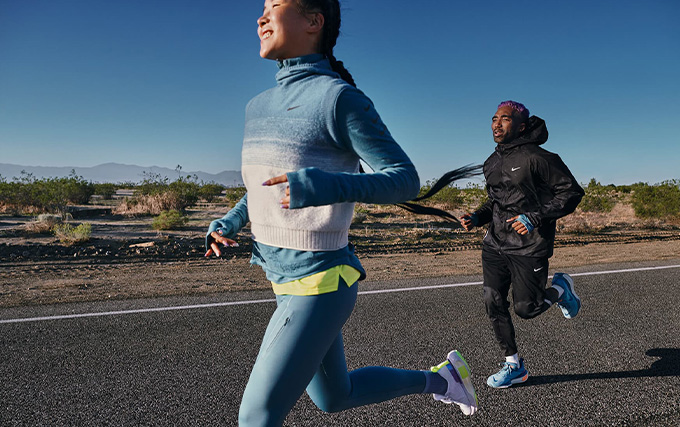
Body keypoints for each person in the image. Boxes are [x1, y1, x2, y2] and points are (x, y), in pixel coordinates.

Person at [205, 1, 477, 425]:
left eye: (275, 6)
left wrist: (329, 185)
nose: (261, 17)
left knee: (256, 416)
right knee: (335, 396)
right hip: (281, 277)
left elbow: (404, 179)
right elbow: (264, 187)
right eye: (261, 7)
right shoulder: (256, 106)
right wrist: (230, 221)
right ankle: (444, 381)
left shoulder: (338, 99)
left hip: (322, 280)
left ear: (314, 21)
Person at [460, 100, 585, 389]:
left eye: (504, 119)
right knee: (493, 302)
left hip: (530, 246)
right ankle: (513, 365)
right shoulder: (491, 162)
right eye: (493, 119)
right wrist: (477, 218)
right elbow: (495, 201)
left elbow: (571, 193)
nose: (496, 124)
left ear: (522, 126)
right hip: (495, 244)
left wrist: (534, 217)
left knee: (527, 309)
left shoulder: (540, 158)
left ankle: (560, 288)